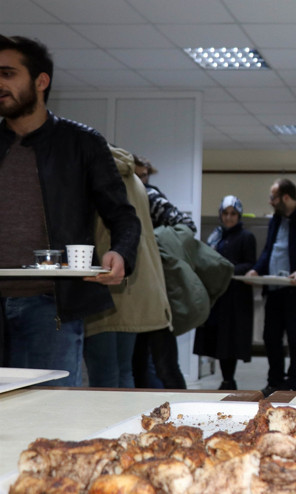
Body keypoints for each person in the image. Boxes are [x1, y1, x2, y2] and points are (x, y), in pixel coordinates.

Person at [0, 35, 141, 386]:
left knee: (51, 419)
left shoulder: (81, 143)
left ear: (41, 81)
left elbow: (123, 216)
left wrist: (121, 254)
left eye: (7, 73)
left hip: (51, 306)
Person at [83, 145, 171, 388]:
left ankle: (109, 425)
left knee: (104, 377)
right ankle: (125, 426)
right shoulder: (135, 180)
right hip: (135, 287)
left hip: (104, 285)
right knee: (125, 372)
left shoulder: (95, 177)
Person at [247, 178, 296, 395]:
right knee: (270, 336)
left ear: (286, 197)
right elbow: (268, 251)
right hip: (274, 288)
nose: (270, 202)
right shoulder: (276, 220)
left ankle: (293, 383)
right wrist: (256, 269)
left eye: (273, 197)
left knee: (295, 336)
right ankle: (274, 381)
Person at [131, 153, 198, 389]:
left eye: (144, 175)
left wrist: (149, 244)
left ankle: (182, 412)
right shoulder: (126, 195)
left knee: (162, 361)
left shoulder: (150, 196)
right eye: (136, 176)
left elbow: (187, 227)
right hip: (136, 287)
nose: (141, 181)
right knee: (143, 361)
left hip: (155, 285)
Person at [194, 195, 257, 390]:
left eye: (233, 214)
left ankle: (229, 380)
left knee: (231, 340)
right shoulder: (216, 236)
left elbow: (249, 264)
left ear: (239, 215)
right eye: (225, 213)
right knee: (218, 339)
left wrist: (226, 269)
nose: (229, 218)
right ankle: (225, 379)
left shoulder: (246, 237)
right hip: (218, 296)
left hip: (236, 298)